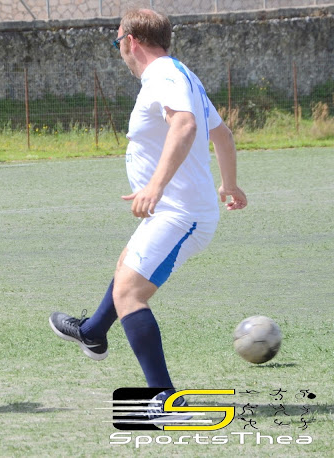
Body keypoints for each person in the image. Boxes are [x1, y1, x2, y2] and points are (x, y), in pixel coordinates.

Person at [49, 9, 247, 420]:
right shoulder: (180, 75)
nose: (119, 49)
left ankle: (166, 400)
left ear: (131, 41)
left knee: (129, 293)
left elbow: (185, 126)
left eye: (117, 41)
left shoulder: (164, 75)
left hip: (180, 213)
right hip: (175, 211)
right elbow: (223, 135)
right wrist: (228, 184)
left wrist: (155, 186)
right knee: (126, 268)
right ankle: (93, 332)